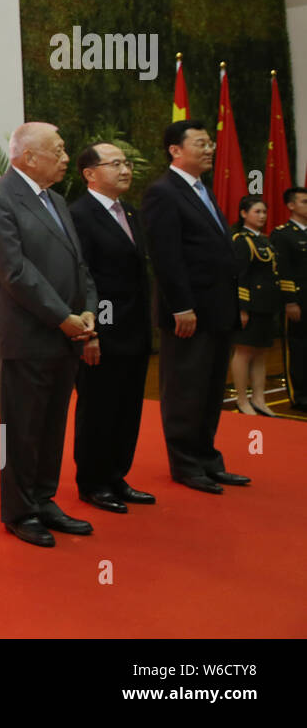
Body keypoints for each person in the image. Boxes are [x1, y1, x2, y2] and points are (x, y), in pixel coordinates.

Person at [0, 122, 97, 548]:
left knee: (51, 425)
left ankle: (44, 499)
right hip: (28, 335)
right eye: (59, 151)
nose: (67, 159)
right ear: (29, 156)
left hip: (65, 334)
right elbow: (14, 272)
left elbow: (78, 264)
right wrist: (62, 316)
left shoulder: (57, 202)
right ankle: (19, 511)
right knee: (22, 428)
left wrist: (86, 310)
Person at [141, 120, 248, 494]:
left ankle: (207, 459)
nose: (210, 149)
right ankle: (186, 464)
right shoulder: (163, 193)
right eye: (201, 143)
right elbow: (166, 257)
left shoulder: (202, 190)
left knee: (211, 388)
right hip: (189, 314)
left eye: (210, 143)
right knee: (186, 389)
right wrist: (181, 306)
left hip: (218, 309)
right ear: (175, 150)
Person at [68, 143, 155, 513]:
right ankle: (92, 481)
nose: (125, 169)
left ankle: (117, 475)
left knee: (127, 406)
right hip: (102, 330)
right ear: (90, 174)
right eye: (115, 164)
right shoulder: (79, 215)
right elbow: (83, 279)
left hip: (135, 328)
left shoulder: (130, 212)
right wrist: (94, 331)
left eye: (127, 163)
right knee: (99, 407)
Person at [229, 195, 283, 416]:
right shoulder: (241, 240)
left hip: (266, 305)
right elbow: (239, 276)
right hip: (249, 305)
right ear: (243, 214)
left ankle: (259, 398)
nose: (262, 216)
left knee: (261, 352)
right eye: (256, 212)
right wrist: (242, 307)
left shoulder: (264, 239)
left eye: (264, 212)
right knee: (244, 351)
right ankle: (242, 399)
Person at [269, 187, 307, 411]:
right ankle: (299, 395)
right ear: (291, 206)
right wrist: (290, 301)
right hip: (299, 300)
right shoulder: (283, 234)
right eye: (304, 202)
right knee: (298, 348)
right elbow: (282, 271)